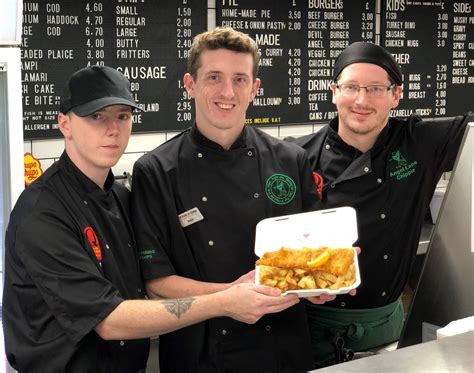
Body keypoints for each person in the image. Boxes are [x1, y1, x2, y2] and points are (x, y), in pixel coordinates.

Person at [2, 65, 308, 373]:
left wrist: (238, 291)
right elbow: (109, 320)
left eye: (122, 116)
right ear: (65, 124)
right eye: (96, 117)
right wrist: (224, 302)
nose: (113, 129)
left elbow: (149, 286)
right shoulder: (43, 213)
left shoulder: (119, 196)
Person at [130, 27, 336, 373]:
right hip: (199, 352)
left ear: (254, 88)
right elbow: (156, 283)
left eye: (240, 79)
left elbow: (312, 255)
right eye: (214, 77)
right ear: (190, 84)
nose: (228, 92)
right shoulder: (155, 171)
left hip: (283, 348)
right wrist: (230, 298)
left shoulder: (290, 159)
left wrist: (323, 277)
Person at [287, 41, 473, 366]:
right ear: (334, 91)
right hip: (313, 330)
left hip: (390, 328)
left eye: (375, 88)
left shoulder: (421, 143)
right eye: (351, 87)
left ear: (396, 95)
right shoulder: (296, 156)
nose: (362, 100)